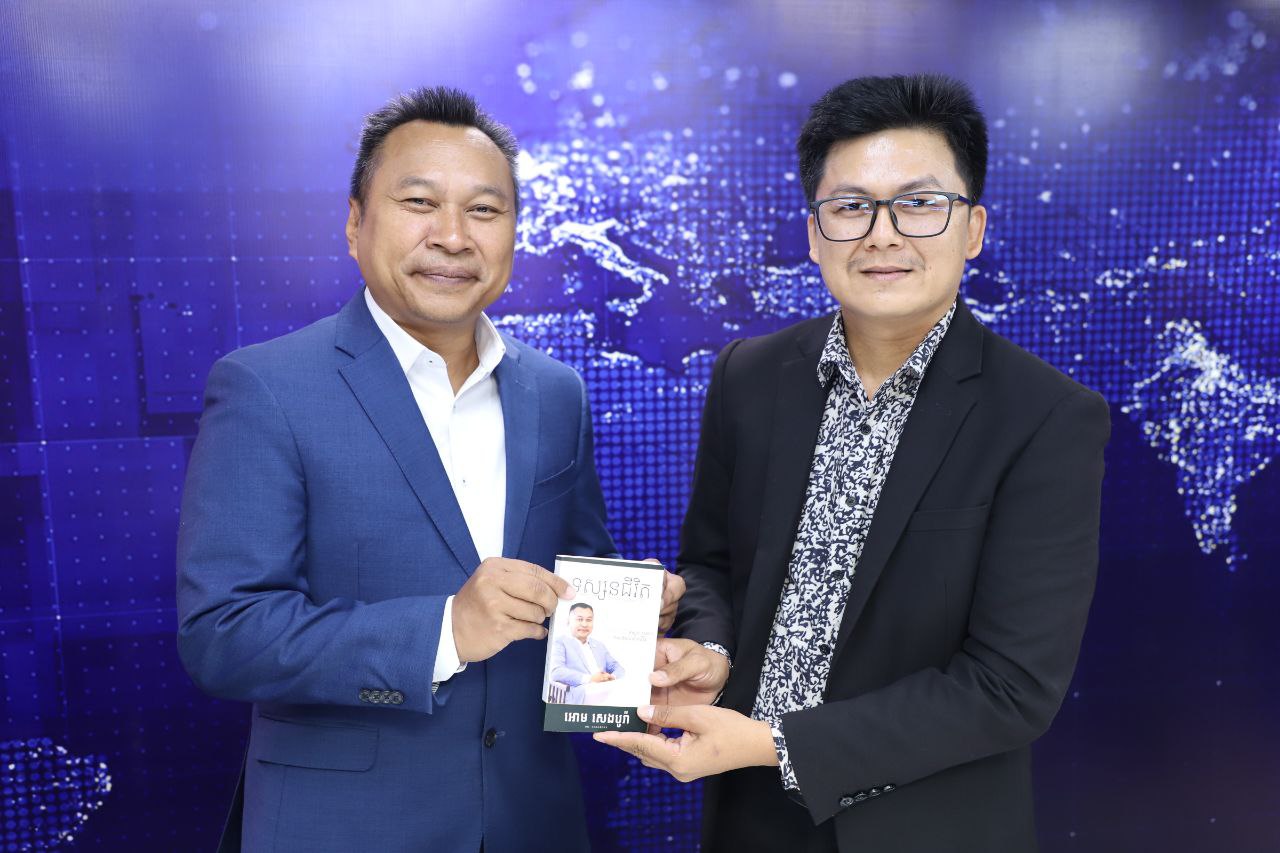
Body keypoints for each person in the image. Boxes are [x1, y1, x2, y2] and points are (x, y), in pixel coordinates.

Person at [596, 73, 1110, 852]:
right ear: (815, 233)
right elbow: (711, 564)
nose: (883, 234)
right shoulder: (748, 375)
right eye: (851, 207)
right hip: (748, 817)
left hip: (926, 828)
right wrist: (712, 652)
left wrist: (777, 744)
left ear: (972, 227)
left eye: (919, 202)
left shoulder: (1045, 418)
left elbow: (1010, 686)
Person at [176, 86, 682, 853]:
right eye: (419, 202)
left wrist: (632, 624)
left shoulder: (556, 392)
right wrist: (446, 629)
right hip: (346, 830)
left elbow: (571, 595)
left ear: (513, 231)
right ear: (355, 222)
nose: (452, 236)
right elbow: (224, 634)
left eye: (484, 210)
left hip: (532, 823)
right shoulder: (267, 387)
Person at [548, 602, 625, 703]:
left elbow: (618, 668)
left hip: (607, 689)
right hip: (583, 693)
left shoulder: (599, 645)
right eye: (580, 619)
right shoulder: (560, 642)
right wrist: (590, 678)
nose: (584, 624)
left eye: (589, 620)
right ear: (568, 621)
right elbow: (556, 672)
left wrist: (612, 677)